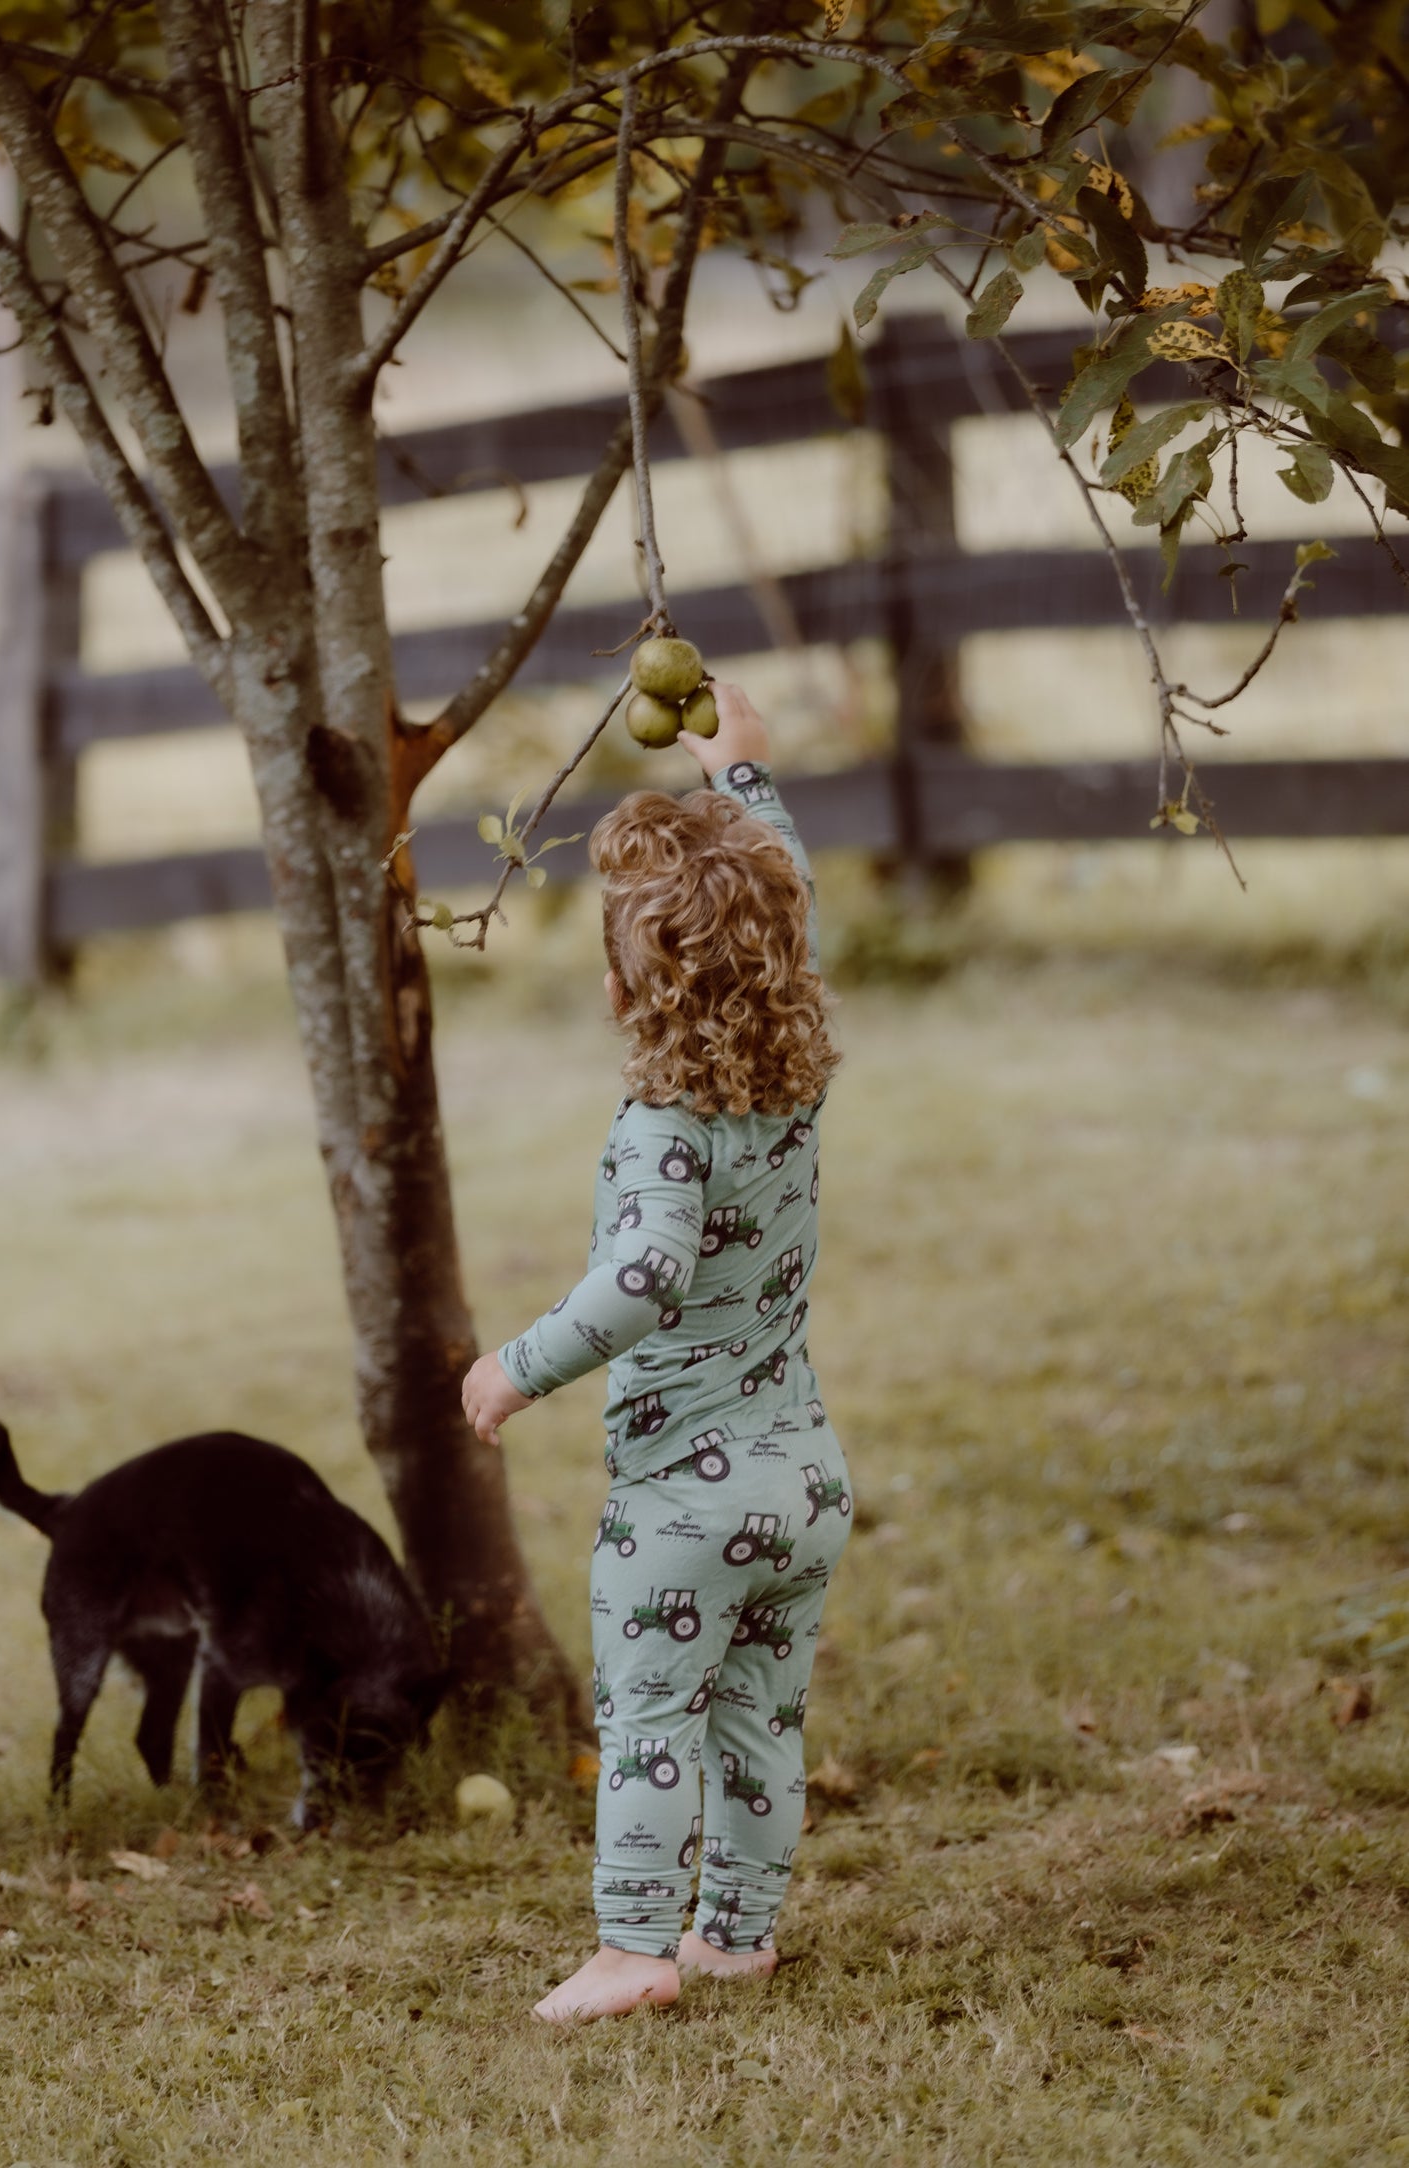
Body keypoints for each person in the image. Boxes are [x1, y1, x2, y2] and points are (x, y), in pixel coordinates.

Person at [462, 683, 852, 2024]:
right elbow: (783, 888)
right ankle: (733, 1937)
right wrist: (741, 778)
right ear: (782, 954)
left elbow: (641, 1279)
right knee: (757, 1721)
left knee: (645, 1719)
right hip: (802, 1479)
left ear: (628, 979)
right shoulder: (793, 1078)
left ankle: (633, 1949)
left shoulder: (661, 1126)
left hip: (683, 1504)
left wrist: (516, 1362)